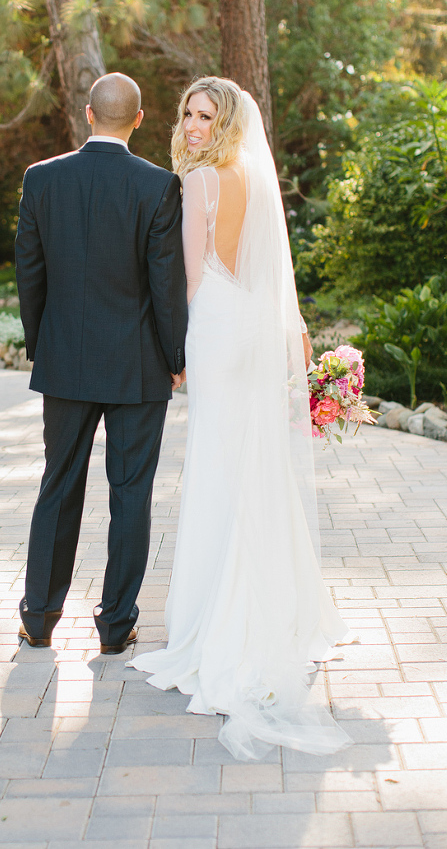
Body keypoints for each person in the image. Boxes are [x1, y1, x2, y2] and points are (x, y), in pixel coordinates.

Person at [128, 77, 353, 760]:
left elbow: (192, 279)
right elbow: (267, 274)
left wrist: (179, 350)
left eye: (204, 116)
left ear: (225, 123)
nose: (192, 125)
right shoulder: (251, 175)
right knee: (253, 464)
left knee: (219, 470)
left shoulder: (198, 184)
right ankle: (278, 613)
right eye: (186, 114)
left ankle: (221, 630)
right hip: (252, 326)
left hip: (217, 328)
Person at [15, 72, 188, 653]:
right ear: (138, 120)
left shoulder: (42, 179)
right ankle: (116, 626)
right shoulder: (159, 186)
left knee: (57, 486)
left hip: (65, 361)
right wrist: (176, 357)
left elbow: (30, 276)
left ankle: (38, 617)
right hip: (138, 366)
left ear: (88, 114)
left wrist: (43, 345)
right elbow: (166, 285)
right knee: (131, 493)